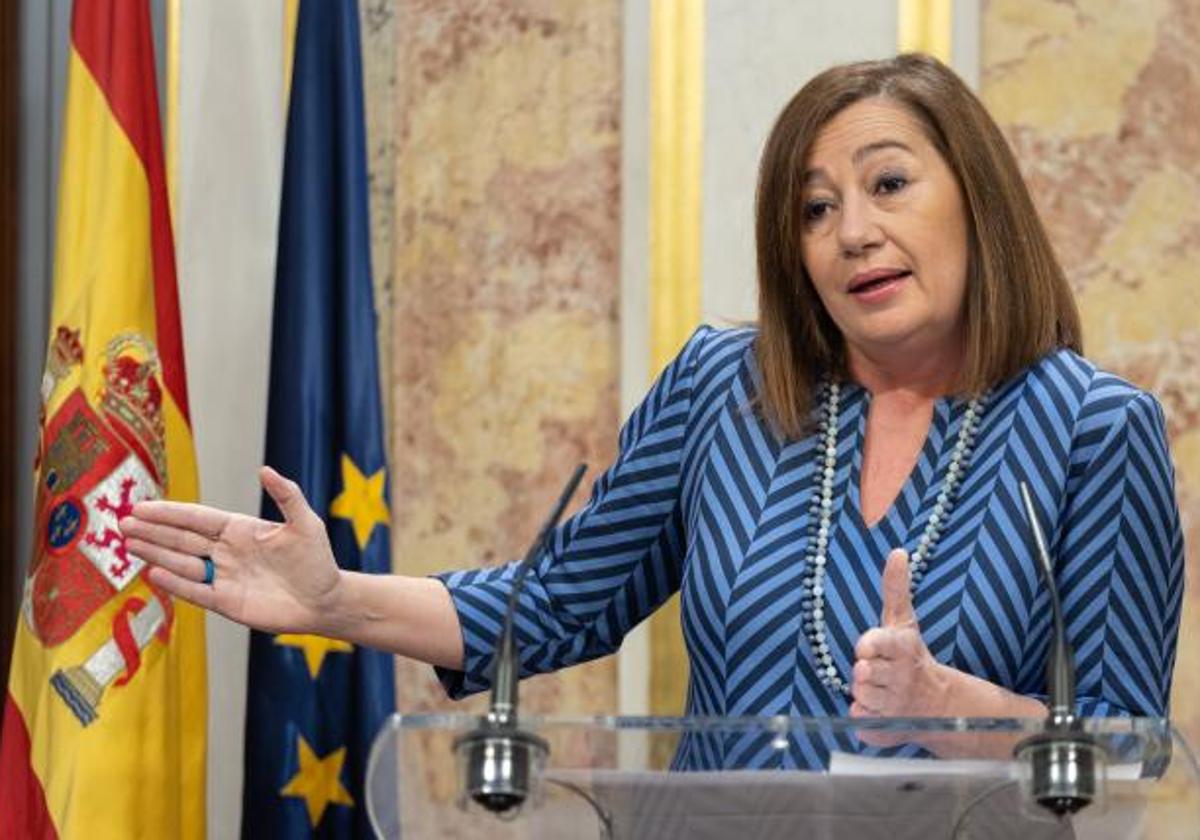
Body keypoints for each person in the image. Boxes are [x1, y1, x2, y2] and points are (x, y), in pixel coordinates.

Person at [119, 54, 1184, 770]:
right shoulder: (728, 388)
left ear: (977, 200)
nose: (852, 231)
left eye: (888, 184)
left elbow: (1128, 758)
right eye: (815, 209)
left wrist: (955, 710)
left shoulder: (1093, 431)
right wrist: (332, 598)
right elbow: (554, 603)